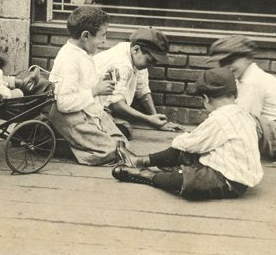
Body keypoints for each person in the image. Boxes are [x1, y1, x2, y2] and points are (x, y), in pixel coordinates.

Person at [112, 67, 262, 200]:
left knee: (186, 179)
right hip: (238, 174)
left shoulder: (219, 119)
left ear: (206, 99)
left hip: (228, 180)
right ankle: (139, 160)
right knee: (188, 157)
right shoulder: (243, 114)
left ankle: (145, 174)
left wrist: (184, 137)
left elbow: (189, 144)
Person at [207, 34, 276, 162]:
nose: (227, 67)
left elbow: (242, 118)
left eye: (231, 61)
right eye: (222, 63)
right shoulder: (245, 78)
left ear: (248, 58)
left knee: (235, 117)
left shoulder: (252, 81)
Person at [49, 5, 122, 165]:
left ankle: (81, 143)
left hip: (86, 109)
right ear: (86, 36)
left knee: (121, 143)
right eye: (103, 35)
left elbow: (85, 83)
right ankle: (60, 147)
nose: (104, 41)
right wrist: (95, 91)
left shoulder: (83, 53)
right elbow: (63, 103)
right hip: (69, 115)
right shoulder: (69, 59)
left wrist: (102, 81)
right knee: (112, 150)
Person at [92, 27, 171, 138]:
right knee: (123, 131)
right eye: (149, 61)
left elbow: (142, 91)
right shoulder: (122, 63)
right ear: (136, 50)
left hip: (107, 106)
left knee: (124, 129)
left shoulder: (135, 56)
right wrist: (148, 119)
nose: (151, 65)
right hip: (91, 106)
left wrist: (156, 119)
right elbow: (115, 104)